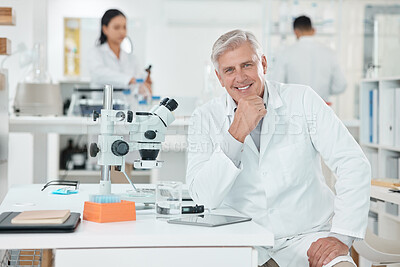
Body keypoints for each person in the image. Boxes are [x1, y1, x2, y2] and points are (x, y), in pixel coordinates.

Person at [186, 29, 370, 267]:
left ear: (263, 63)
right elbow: (204, 197)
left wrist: (341, 236)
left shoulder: (302, 99)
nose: (240, 77)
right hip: (244, 241)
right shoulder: (205, 117)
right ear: (220, 78)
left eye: (247, 65)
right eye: (229, 70)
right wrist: (236, 134)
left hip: (308, 239)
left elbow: (352, 163)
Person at [269, 16, 346, 103]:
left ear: (296, 32)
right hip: (322, 106)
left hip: (296, 107)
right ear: (313, 30)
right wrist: (325, 91)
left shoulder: (285, 53)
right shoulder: (330, 53)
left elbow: (276, 85)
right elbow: (341, 85)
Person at [88, 9, 151, 95]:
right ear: (105, 29)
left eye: (124, 27)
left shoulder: (131, 58)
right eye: (117, 27)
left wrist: (144, 85)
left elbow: (138, 85)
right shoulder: (96, 53)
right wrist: (129, 79)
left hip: (127, 106)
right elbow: (99, 75)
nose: (122, 32)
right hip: (102, 106)